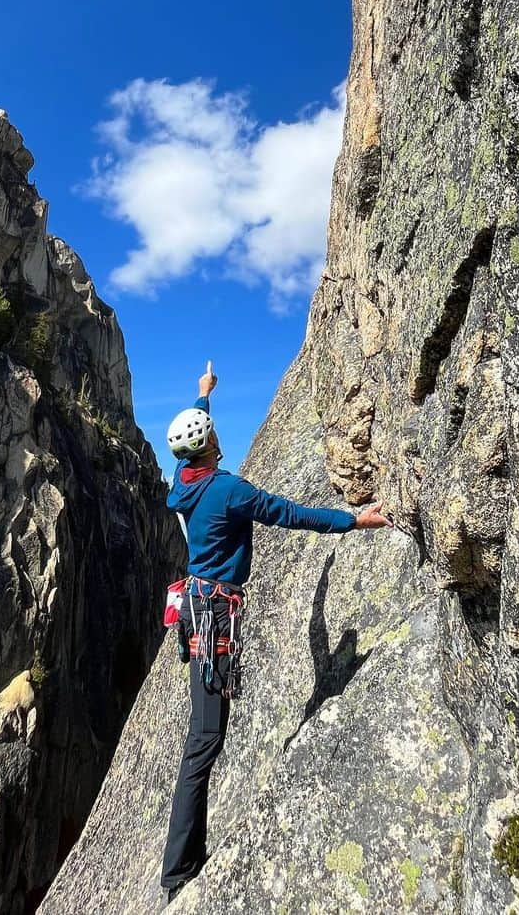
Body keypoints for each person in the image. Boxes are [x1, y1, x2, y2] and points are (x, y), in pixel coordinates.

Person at [160, 360, 392, 904]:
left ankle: (181, 862)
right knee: (204, 740)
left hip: (195, 608)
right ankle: (178, 873)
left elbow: (195, 429)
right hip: (214, 615)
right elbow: (288, 513)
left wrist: (203, 394)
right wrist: (353, 521)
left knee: (203, 734)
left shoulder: (185, 481)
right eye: (211, 429)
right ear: (210, 444)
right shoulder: (228, 491)